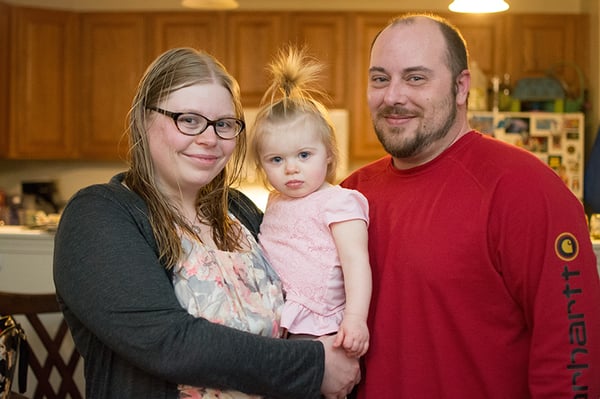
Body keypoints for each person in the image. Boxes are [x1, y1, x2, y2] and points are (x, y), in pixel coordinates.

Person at [53, 47, 360, 399]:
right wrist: (316, 364)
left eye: (224, 124)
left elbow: (314, 284)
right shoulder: (100, 214)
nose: (210, 138)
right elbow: (170, 343)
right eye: (188, 119)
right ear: (143, 118)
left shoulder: (239, 211)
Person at [341, 13, 600, 398]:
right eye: (380, 78)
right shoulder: (348, 199)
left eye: (416, 78)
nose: (393, 96)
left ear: (462, 87)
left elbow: (573, 360)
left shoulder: (526, 190)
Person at [249, 47, 371, 358]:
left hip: (321, 327)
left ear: (328, 153)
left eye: (304, 155)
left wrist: (356, 319)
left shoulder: (339, 203)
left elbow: (356, 262)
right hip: (277, 323)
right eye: (277, 159)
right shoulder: (275, 200)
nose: (291, 168)